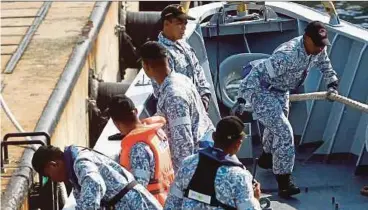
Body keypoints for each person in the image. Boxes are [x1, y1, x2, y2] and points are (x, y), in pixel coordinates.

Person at [233, 21, 339, 197]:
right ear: (306, 38)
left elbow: (324, 63)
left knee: (276, 126)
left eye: (323, 44)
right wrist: (242, 98)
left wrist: (332, 83)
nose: (321, 49)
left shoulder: (318, 48)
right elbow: (257, 73)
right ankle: (284, 182)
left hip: (282, 91)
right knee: (284, 131)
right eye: (317, 44)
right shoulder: (286, 55)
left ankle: (267, 157)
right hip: (262, 89)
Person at [139, 41, 215, 172]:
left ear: (146, 66)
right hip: (206, 150)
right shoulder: (182, 79)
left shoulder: (173, 96)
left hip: (198, 164)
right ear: (168, 59)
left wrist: (183, 180)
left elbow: (183, 145)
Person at [164, 116, 262, 210]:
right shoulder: (239, 177)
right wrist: (255, 199)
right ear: (239, 143)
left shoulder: (188, 163)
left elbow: (171, 204)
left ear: (213, 136)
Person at [31, 145, 162, 209]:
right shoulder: (74, 175)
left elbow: (95, 184)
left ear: (53, 165)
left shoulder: (81, 163)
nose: (53, 180)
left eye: (49, 175)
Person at [107, 94, 174, 205]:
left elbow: (138, 189)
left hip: (151, 204)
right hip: (167, 200)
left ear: (116, 123)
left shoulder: (138, 148)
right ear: (136, 112)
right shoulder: (157, 133)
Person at [151, 4, 212, 111]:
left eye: (185, 23)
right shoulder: (160, 53)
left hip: (198, 105)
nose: (184, 27)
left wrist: (205, 96)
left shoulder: (184, 45)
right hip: (180, 109)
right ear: (166, 24)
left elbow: (198, 69)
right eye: (179, 23)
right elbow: (166, 89)